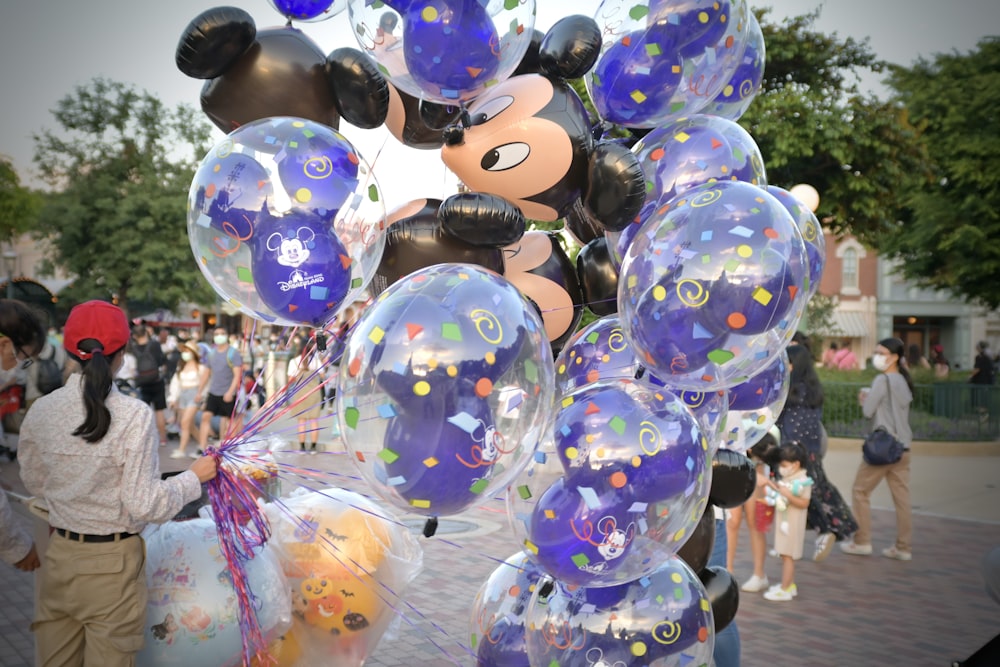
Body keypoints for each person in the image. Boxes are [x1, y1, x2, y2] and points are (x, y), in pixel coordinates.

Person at [18, 300, 217, 665]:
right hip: (113, 564)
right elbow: (145, 504)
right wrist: (193, 478)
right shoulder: (133, 415)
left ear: (68, 350)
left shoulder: (42, 410)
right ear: (121, 354)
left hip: (59, 555)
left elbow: (34, 480)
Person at [777, 343, 857, 561]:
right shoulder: (813, 389)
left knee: (796, 493)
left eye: (788, 363)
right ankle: (836, 526)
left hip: (794, 452)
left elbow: (778, 417)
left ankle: (822, 531)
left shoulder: (790, 390)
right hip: (812, 448)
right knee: (818, 490)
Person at [841, 337, 914, 561]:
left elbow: (868, 411)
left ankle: (862, 541)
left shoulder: (883, 380)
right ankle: (903, 547)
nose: (878, 356)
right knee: (901, 498)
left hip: (885, 447)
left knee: (860, 491)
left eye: (881, 352)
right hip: (904, 447)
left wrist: (864, 399)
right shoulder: (903, 380)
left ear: (894, 357)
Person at [728, 430, 779, 593]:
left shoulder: (767, 439)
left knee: (755, 520)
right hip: (734, 462)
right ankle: (727, 571)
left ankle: (759, 574)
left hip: (754, 460)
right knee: (732, 521)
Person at [762, 443, 813, 601]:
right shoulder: (789, 478)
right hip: (785, 524)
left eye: (784, 465)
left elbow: (804, 503)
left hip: (792, 525)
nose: (781, 468)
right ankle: (788, 585)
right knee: (784, 554)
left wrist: (788, 495)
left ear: (796, 464)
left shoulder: (803, 480)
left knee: (787, 555)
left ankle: (785, 588)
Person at [197, 327, 243, 452]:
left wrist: (230, 392)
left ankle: (231, 448)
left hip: (227, 392)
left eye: (222, 333)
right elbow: (206, 373)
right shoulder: (211, 353)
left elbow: (237, 375)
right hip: (213, 391)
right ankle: (202, 447)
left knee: (230, 421)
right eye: (217, 334)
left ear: (227, 335)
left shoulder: (233, 353)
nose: (219, 336)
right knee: (205, 416)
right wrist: (199, 392)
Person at [129, 325, 169, 446]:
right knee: (159, 411)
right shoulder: (155, 344)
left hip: (142, 382)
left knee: (143, 412)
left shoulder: (133, 347)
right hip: (156, 380)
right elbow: (161, 360)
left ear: (135, 336)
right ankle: (162, 439)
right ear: (146, 332)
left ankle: (144, 439)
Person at [167, 343, 209, 459]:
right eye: (184, 351)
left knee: (185, 422)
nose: (185, 353)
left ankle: (182, 449)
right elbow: (175, 383)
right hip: (183, 396)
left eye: (187, 351)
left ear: (193, 353)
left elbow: (205, 384)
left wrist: (202, 396)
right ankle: (204, 446)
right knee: (189, 426)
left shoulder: (201, 368)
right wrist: (173, 398)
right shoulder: (181, 367)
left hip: (194, 395)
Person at [287, 343, 324, 452]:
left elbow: (290, 380)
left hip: (300, 394)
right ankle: (313, 447)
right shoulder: (316, 361)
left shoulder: (293, 362)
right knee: (314, 421)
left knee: (301, 421)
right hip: (314, 393)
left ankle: (302, 447)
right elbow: (322, 376)